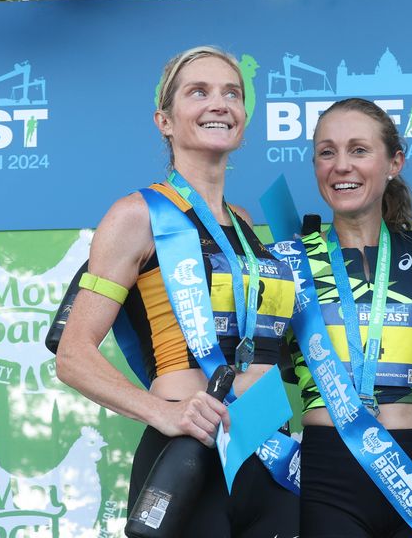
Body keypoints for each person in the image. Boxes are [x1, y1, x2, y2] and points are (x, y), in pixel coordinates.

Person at [56, 46, 299, 537]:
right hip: (190, 453)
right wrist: (161, 413)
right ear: (164, 121)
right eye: (199, 92)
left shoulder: (247, 224)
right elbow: (72, 355)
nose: (219, 103)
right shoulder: (136, 215)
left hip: (269, 452)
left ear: (244, 120)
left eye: (232, 93)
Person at [286, 98, 412, 537]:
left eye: (359, 150)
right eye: (327, 152)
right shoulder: (288, 262)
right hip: (330, 468)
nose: (341, 165)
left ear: (394, 162)